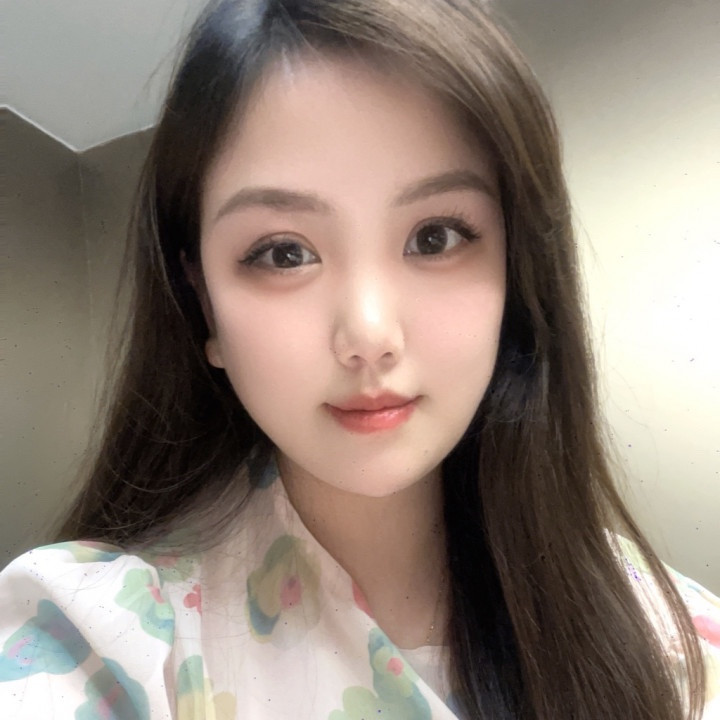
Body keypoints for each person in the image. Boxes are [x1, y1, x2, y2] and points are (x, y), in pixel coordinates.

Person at [1, 0, 718, 717]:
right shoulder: (101, 638)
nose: (370, 334)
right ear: (204, 307)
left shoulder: (671, 638)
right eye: (284, 253)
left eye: (435, 237)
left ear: (516, 271)